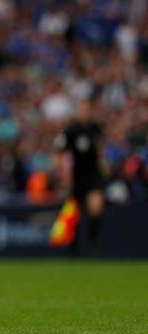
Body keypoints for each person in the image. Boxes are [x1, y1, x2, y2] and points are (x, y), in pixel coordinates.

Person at [54, 98, 106, 255]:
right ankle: (73, 248)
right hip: (76, 175)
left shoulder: (95, 128)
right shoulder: (71, 130)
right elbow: (61, 152)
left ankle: (92, 243)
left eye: (87, 109)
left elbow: (100, 149)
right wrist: (65, 175)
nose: (85, 112)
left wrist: (103, 166)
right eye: (82, 109)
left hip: (93, 173)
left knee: (96, 207)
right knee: (74, 212)